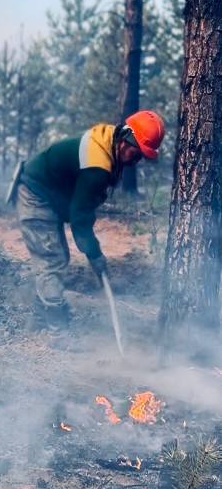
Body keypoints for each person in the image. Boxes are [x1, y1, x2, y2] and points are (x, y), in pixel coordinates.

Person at [14, 110, 165, 330]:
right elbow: (80, 219)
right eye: (137, 152)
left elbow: (80, 207)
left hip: (49, 193)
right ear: (126, 140)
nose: (138, 159)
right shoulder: (97, 167)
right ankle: (59, 332)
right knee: (52, 261)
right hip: (35, 194)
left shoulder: (109, 139)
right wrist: (95, 255)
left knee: (57, 258)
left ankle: (37, 321)